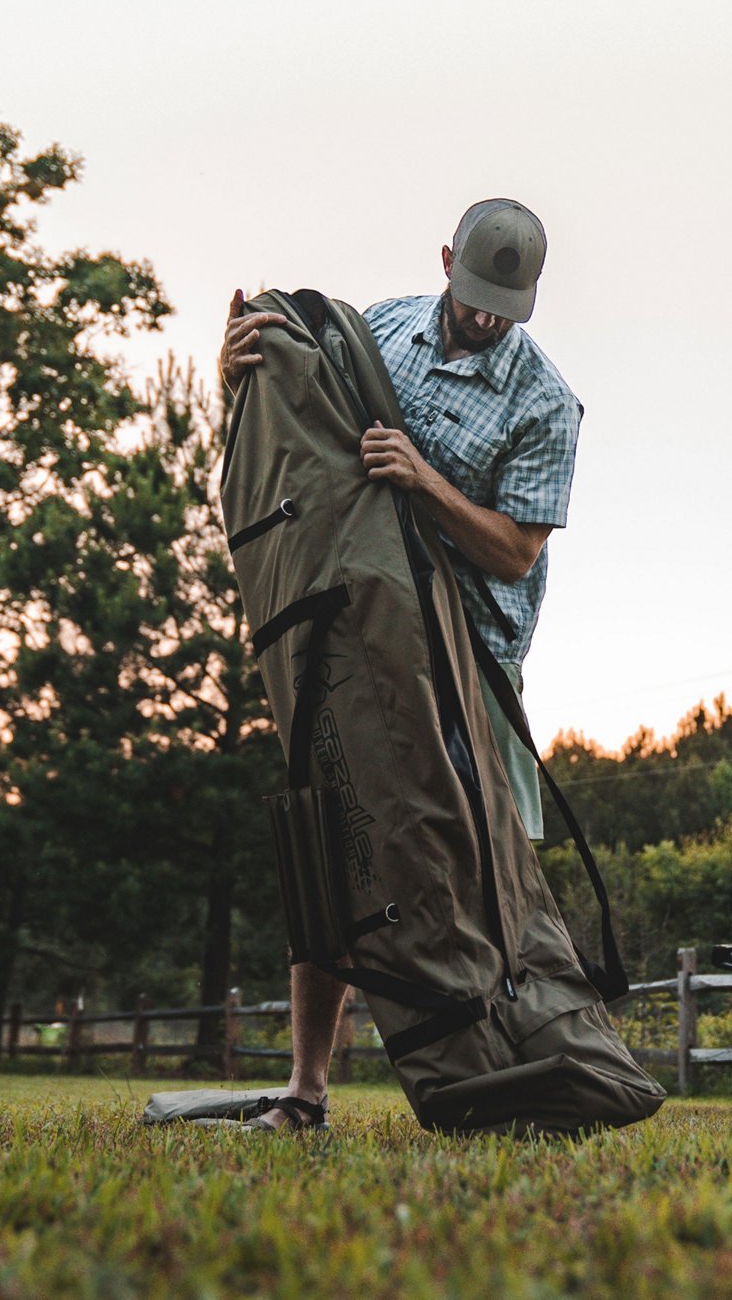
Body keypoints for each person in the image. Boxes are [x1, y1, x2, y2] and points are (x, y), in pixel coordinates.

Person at [217, 198, 582, 1130]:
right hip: (359, 634)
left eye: (506, 303)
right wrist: (241, 379)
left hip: (473, 663)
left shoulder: (545, 402)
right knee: (330, 838)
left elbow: (516, 552)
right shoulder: (380, 328)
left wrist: (424, 479)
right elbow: (304, 435)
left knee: (483, 873)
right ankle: (305, 1092)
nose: (486, 316)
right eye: (474, 294)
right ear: (447, 258)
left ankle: (516, 1070)